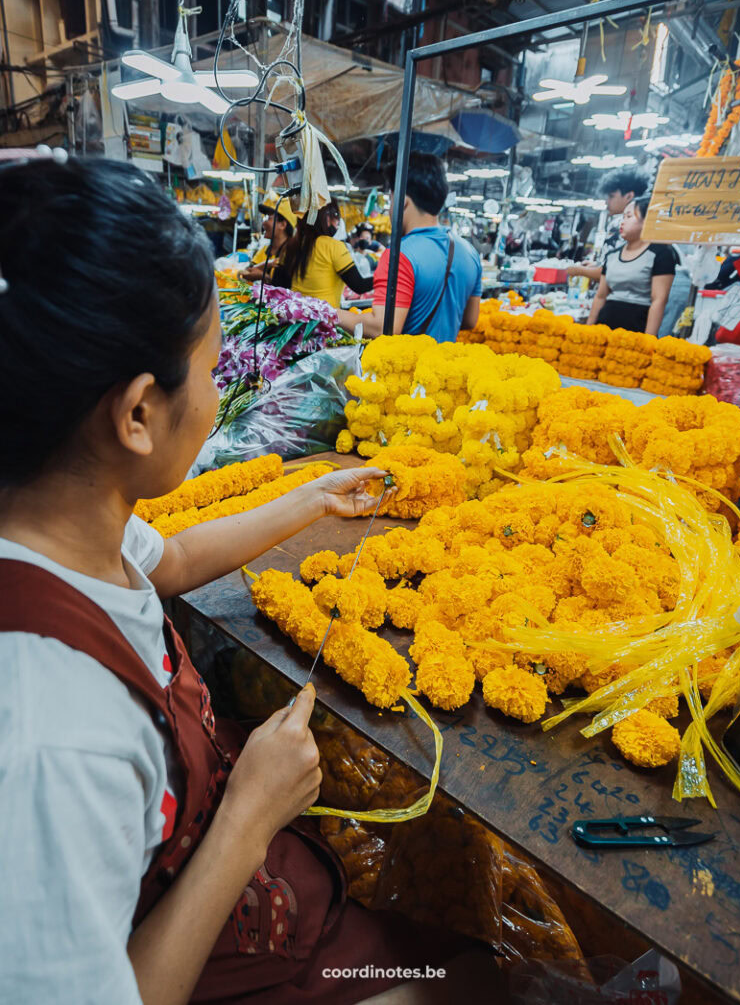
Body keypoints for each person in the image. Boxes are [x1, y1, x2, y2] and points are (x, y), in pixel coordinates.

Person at [0, 157, 505, 1005]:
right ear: (134, 414)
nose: (217, 388)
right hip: (216, 937)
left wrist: (308, 496)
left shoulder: (64, 519)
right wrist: (248, 814)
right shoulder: (55, 736)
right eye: (209, 367)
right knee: (461, 980)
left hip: (231, 880)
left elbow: (179, 559)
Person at [336, 153, 482, 341]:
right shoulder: (470, 252)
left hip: (407, 368)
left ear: (403, 201)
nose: (389, 210)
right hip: (447, 366)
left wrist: (329, 313)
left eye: (391, 200)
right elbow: (470, 320)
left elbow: (382, 328)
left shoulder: (399, 255)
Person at [242, 194, 372, 307]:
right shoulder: (333, 246)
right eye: (334, 215)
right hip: (323, 324)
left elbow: (279, 287)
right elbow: (359, 286)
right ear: (323, 217)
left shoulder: (292, 246)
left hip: (295, 323)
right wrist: (388, 277)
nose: (337, 221)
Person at [587, 195, 676, 335]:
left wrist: (649, 340)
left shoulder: (661, 254)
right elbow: (600, 296)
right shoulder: (612, 256)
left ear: (647, 221)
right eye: (623, 217)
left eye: (629, 217)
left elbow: (659, 301)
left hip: (636, 328)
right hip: (605, 326)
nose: (622, 222)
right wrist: (588, 330)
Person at [565, 170, 648, 284]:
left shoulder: (620, 223)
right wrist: (597, 265)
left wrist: (578, 270)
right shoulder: (646, 223)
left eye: (611, 196)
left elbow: (612, 272)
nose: (606, 201)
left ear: (629, 196)